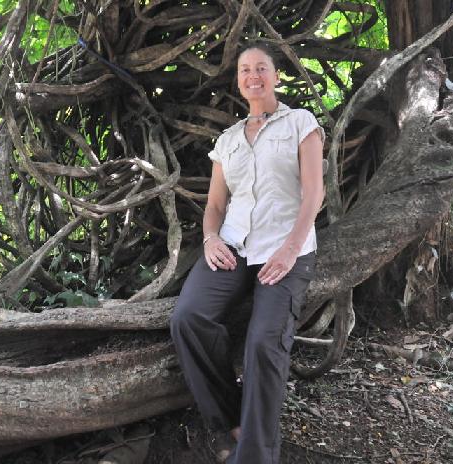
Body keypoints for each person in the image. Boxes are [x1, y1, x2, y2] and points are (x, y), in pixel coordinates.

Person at [170, 42, 326, 464]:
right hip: (233, 245)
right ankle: (228, 422)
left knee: (262, 342)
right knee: (188, 319)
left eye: (261, 68)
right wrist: (211, 239)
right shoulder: (229, 140)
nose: (253, 76)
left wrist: (292, 249)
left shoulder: (301, 123)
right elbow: (216, 207)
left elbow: (315, 192)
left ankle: (255, 456)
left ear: (276, 76)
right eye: (244, 70)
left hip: (285, 248)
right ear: (238, 81)